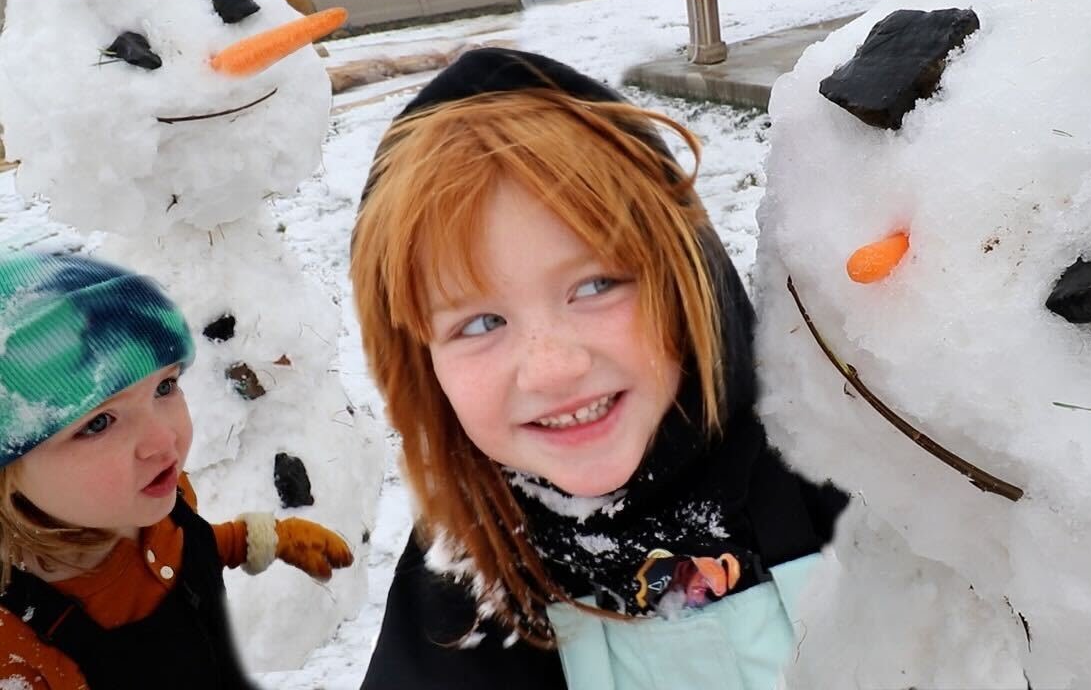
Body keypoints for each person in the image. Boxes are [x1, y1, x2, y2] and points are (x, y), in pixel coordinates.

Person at [352, 48, 848, 690]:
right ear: (423, 366)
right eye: (479, 324)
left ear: (686, 279)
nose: (553, 369)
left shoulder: (839, 473)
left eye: (595, 286)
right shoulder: (461, 584)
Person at [0, 252, 355, 690]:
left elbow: (187, 549)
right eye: (97, 422)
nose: (163, 441)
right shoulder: (15, 645)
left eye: (165, 387)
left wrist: (257, 540)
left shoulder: (161, 493)